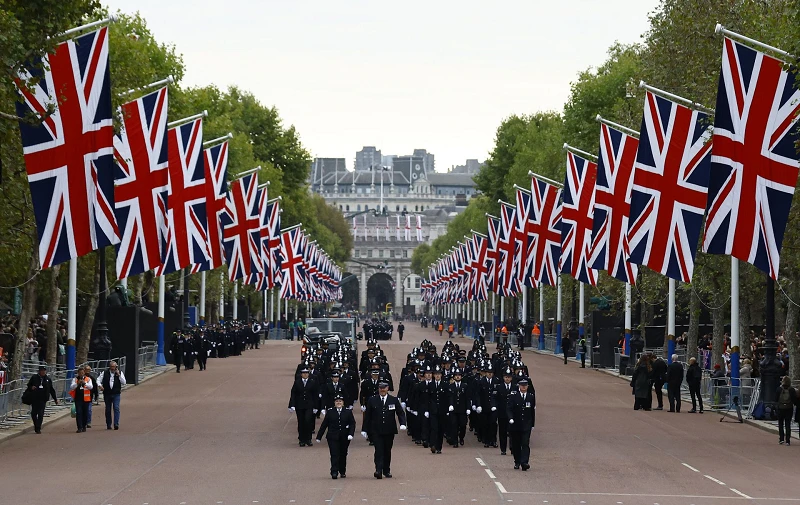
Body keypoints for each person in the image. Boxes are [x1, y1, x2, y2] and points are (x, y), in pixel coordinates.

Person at [362, 381, 407, 479]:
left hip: (389, 430)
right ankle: (378, 469)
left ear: (387, 388)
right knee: (378, 450)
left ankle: (386, 470)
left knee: (387, 450)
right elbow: (368, 416)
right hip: (376, 430)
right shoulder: (372, 400)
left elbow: (400, 413)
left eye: (384, 388)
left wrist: (403, 423)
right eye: (381, 388)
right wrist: (364, 429)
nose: (382, 390)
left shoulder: (393, 400)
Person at [316, 395, 356, 479]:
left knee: (343, 454)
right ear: (334, 403)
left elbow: (352, 423)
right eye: (337, 401)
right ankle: (334, 471)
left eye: (340, 401)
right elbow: (324, 425)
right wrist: (319, 436)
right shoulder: (330, 412)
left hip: (344, 437)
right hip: (332, 437)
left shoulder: (348, 412)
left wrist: (350, 434)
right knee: (334, 454)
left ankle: (342, 471)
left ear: (343, 403)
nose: (338, 402)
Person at [506, 378, 535, 471]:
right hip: (515, 424)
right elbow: (509, 408)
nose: (524, 387)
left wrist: (532, 424)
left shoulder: (530, 396)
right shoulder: (513, 396)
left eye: (525, 385)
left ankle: (524, 462)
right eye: (522, 385)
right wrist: (510, 418)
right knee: (516, 444)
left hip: (526, 424)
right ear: (519, 386)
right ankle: (517, 461)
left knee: (525, 443)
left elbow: (532, 411)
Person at [288, 368, 319, 446]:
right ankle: (301, 439)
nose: (305, 374)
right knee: (301, 422)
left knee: (308, 421)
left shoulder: (312, 382)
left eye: (306, 373)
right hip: (300, 405)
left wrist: (316, 406)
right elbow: (293, 394)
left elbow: (315, 395)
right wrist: (292, 405)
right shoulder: (297, 382)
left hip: (309, 405)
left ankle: (308, 439)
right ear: (301, 374)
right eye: (303, 373)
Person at [26, 365, 58, 434]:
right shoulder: (34, 377)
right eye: (42, 371)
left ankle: (38, 428)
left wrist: (55, 399)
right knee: (34, 413)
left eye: (44, 371)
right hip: (35, 398)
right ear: (39, 371)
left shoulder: (47, 379)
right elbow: (29, 385)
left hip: (43, 399)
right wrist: (31, 387)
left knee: (40, 413)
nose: (43, 372)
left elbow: (51, 390)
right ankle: (36, 424)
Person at [97, 361, 126, 430]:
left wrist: (119, 375)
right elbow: (98, 380)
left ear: (116, 367)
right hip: (107, 393)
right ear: (109, 367)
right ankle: (108, 424)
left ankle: (116, 423)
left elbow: (124, 382)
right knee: (108, 409)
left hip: (116, 394)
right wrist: (100, 386)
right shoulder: (105, 373)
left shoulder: (120, 372)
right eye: (111, 367)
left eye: (114, 367)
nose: (113, 368)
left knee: (116, 408)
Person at [70, 367, 93, 433]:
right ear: (78, 373)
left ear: (84, 373)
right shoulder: (75, 379)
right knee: (79, 413)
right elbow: (71, 387)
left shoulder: (88, 379)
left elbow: (91, 387)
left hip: (86, 399)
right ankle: (79, 427)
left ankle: (84, 426)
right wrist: (77, 383)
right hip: (78, 399)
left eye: (82, 373)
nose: (81, 374)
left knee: (85, 413)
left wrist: (84, 383)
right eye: (80, 373)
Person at [776, 376, 797, 445]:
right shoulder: (792, 390)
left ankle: (781, 438)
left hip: (780, 408)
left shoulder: (779, 389)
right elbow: (794, 400)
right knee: (788, 424)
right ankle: (788, 440)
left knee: (780, 424)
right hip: (789, 408)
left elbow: (776, 399)